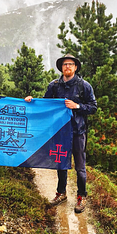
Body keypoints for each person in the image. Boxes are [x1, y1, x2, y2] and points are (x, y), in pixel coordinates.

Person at [25, 54, 97, 213]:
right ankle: (61, 193)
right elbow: (45, 104)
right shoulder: (54, 85)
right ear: (61, 67)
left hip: (78, 131)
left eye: (70, 64)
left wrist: (77, 106)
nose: (67, 67)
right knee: (61, 163)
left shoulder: (84, 86)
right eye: (65, 64)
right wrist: (32, 101)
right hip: (59, 131)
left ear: (76, 67)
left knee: (80, 166)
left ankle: (81, 196)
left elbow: (93, 107)